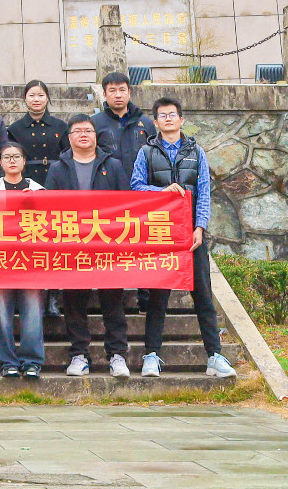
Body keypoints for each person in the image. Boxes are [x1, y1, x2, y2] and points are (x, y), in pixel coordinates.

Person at [131, 97, 235, 378]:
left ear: (181, 119)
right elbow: (136, 187)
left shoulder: (197, 152)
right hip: (160, 232)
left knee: (202, 294)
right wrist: (161, 192)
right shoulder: (146, 152)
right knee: (158, 296)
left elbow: (204, 192)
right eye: (162, 115)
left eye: (172, 114)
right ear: (155, 122)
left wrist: (200, 227)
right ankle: (151, 355)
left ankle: (214, 356)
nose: (168, 119)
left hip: (191, 233)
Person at [46, 114, 137, 377]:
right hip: (72, 246)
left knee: (113, 301)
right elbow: (49, 207)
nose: (83, 134)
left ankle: (117, 355)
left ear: (96, 135)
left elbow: (127, 205)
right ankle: (79, 354)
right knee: (74, 302)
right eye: (77, 131)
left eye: (88, 130)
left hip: (108, 245)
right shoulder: (58, 168)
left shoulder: (113, 165)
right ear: (69, 137)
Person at [0, 142, 45, 380]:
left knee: (32, 311)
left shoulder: (38, 190)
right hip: (0, 259)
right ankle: (7, 361)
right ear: (0, 162)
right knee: (1, 312)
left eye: (16, 156)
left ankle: (32, 361)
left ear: (24, 161)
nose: (12, 161)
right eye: (7, 157)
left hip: (31, 260)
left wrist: (35, 203)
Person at [92, 71, 157, 173]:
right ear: (104, 94)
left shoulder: (146, 123)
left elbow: (155, 157)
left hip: (140, 180)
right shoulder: (94, 123)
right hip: (108, 180)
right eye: (112, 90)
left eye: (122, 90)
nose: (118, 95)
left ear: (129, 93)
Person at [7, 80, 68, 186]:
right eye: (31, 95)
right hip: (25, 181)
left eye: (41, 95)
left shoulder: (60, 126)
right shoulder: (15, 129)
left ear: (47, 98)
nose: (36, 99)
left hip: (55, 179)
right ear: (25, 98)